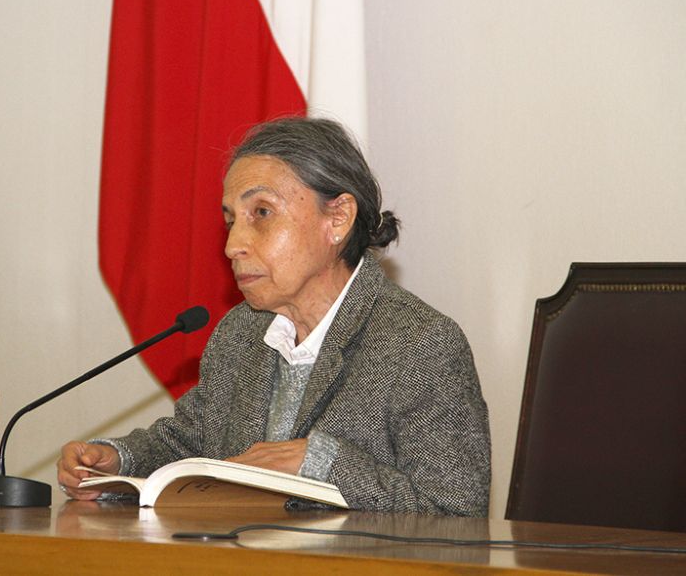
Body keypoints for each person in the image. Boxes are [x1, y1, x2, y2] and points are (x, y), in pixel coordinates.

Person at [58, 117, 491, 514]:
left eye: (261, 213)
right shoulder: (241, 330)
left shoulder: (419, 344)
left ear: (338, 218)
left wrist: (320, 462)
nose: (233, 245)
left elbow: (457, 512)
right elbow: (192, 441)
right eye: (231, 220)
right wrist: (117, 460)